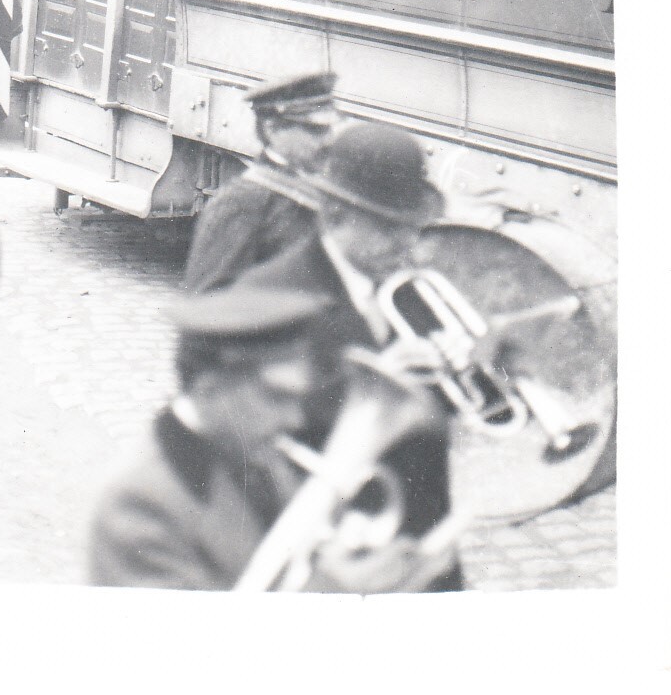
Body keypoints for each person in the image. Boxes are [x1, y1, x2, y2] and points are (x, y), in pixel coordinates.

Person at [232, 121, 464, 591]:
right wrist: (366, 389)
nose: (409, 244)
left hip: (420, 542)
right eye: (389, 227)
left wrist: (461, 371)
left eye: (412, 227)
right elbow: (243, 432)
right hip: (331, 556)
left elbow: (436, 416)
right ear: (335, 216)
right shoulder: (268, 297)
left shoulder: (413, 293)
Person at [89, 284, 345, 589]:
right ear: (209, 388)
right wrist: (336, 588)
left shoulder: (254, 449)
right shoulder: (138, 502)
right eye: (277, 397)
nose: (296, 419)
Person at [184, 71, 340, 294]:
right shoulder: (240, 202)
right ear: (272, 129)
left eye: (328, 129)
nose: (328, 140)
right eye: (314, 130)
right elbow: (207, 302)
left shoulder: (320, 186)